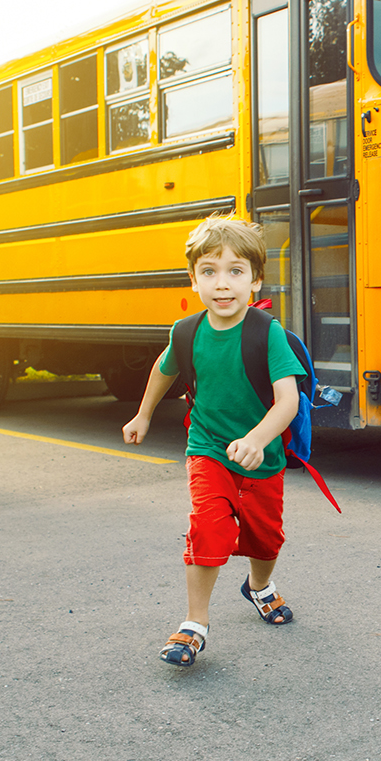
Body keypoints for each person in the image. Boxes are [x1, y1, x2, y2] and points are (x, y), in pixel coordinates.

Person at [122, 215, 304, 667]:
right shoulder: (186, 332)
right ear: (193, 279)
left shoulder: (266, 333)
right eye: (209, 271)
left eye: (235, 271)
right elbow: (163, 371)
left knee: (265, 540)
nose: (222, 285)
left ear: (255, 279)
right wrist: (143, 414)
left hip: (262, 458)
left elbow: (288, 401)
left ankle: (259, 586)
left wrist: (259, 439)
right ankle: (194, 625)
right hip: (207, 450)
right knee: (210, 525)